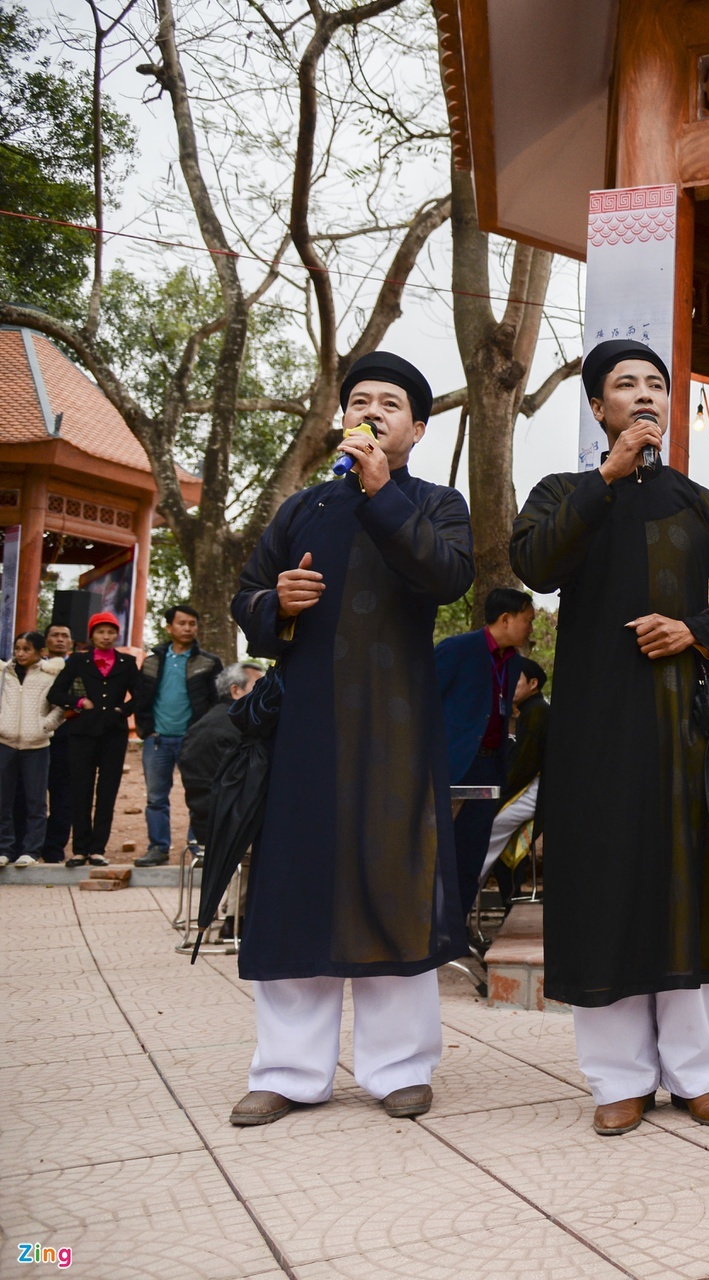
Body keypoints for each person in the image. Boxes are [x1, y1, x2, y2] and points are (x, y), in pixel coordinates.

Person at [511, 338, 709, 1138]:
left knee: (692, 892)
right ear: (599, 408)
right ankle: (616, 1078)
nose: (645, 396)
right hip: (593, 733)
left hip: (686, 737)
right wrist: (607, 479)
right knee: (607, 889)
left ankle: (699, 1075)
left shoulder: (698, 506)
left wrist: (694, 630)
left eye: (656, 385)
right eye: (625, 386)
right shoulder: (564, 494)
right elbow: (535, 563)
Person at [226, 350, 473, 1128]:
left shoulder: (436, 504)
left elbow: (446, 577)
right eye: (358, 400)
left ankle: (398, 1068)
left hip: (397, 729)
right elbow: (246, 594)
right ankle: (289, 1072)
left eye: (389, 404)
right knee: (297, 887)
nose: (371, 411)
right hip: (307, 728)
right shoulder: (301, 509)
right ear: (340, 418)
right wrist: (278, 605)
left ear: (418, 429)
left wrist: (379, 493)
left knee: (394, 883)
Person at [435, 587, 533, 915]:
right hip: (454, 768)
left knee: (473, 854)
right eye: (527, 621)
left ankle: (457, 931)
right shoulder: (457, 650)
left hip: (489, 770)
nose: (531, 628)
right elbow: (424, 704)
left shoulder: (514, 661)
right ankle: (430, 932)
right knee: (440, 853)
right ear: (505, 619)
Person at [132, 603, 224, 866]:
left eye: (192, 624)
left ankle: (200, 849)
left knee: (200, 795)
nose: (187, 628)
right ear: (169, 627)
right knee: (156, 798)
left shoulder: (209, 662)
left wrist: (204, 734)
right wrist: (146, 731)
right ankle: (158, 849)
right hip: (157, 740)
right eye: (182, 623)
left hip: (194, 742)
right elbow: (140, 698)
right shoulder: (151, 662)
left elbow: (217, 700)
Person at [48, 613, 138, 868]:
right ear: (91, 635)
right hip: (82, 734)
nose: (106, 637)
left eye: (110, 632)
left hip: (114, 734)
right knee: (81, 791)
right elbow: (55, 692)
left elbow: (141, 694)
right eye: (100, 632)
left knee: (107, 792)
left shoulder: (127, 662)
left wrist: (124, 710)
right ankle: (79, 850)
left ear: (117, 634)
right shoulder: (78, 660)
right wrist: (78, 702)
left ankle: (98, 849)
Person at [477, 658, 548, 899]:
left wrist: (499, 790)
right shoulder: (532, 710)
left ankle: (460, 894)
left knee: (485, 831)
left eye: (514, 680)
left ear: (533, 683)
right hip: (530, 789)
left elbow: (525, 765)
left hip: (536, 791)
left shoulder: (537, 711)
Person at [178, 661, 265, 848]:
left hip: (206, 824)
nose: (267, 695)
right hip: (232, 828)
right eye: (260, 687)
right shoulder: (238, 728)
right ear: (236, 691)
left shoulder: (206, 723)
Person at [0, 633, 66, 865]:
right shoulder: (4, 674)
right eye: (17, 648)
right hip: (5, 744)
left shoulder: (49, 676)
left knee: (36, 801)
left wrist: (45, 726)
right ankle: (5, 849)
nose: (20, 653)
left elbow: (60, 707)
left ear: (40, 652)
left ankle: (31, 851)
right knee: (3, 800)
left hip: (37, 746)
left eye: (26, 649)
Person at [35, 624, 75, 865]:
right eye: (55, 635)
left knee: (63, 796)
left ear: (72, 641)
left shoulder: (79, 666)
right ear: (45, 641)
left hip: (67, 739)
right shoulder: (32, 666)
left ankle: (53, 848)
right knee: (30, 795)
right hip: (33, 739)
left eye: (65, 636)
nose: (60, 640)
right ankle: (27, 845)